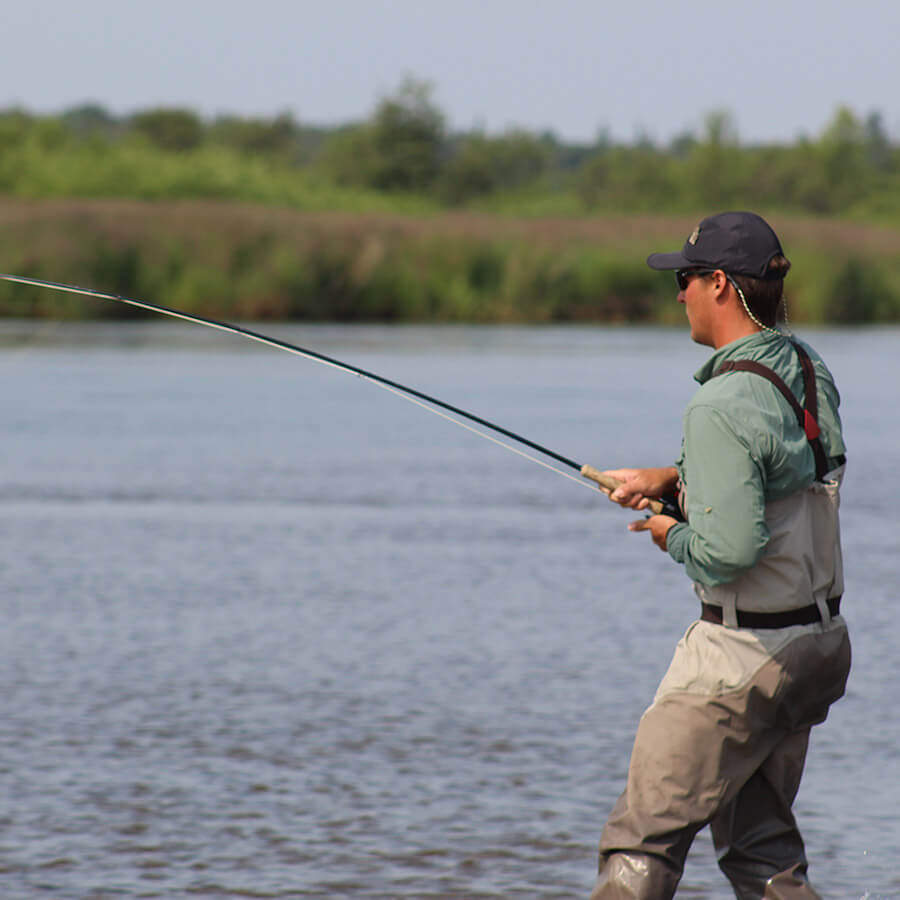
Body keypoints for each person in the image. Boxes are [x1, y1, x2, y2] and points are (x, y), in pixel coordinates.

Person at [590, 211, 851, 899]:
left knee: (640, 841)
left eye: (684, 279)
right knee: (760, 849)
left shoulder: (719, 406)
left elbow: (727, 552)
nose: (677, 295)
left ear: (719, 284)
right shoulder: (803, 366)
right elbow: (784, 470)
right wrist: (670, 480)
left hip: (744, 660)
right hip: (816, 644)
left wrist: (668, 531)